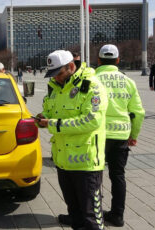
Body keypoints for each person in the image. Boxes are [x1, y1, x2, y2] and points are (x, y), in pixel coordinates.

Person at [37, 50, 107, 230]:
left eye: (59, 73)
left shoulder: (91, 85)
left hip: (86, 163)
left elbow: (92, 120)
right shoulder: (55, 87)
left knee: (91, 217)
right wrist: (42, 118)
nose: (56, 78)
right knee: (74, 214)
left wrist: (53, 124)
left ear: (71, 66)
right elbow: (50, 111)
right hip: (63, 162)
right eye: (53, 75)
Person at [95, 44, 145, 227]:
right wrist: (134, 134)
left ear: (99, 60)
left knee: (94, 174)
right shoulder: (128, 81)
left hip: (97, 134)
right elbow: (138, 112)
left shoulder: (93, 79)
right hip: (121, 134)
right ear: (117, 60)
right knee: (118, 175)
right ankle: (117, 215)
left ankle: (94, 212)